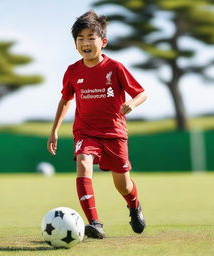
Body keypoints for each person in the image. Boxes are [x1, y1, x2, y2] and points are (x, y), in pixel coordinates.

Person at [47, 11, 147, 239]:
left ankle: (134, 206)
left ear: (103, 42)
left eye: (91, 37)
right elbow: (65, 100)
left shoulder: (116, 68)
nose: (85, 43)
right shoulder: (73, 71)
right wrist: (54, 131)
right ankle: (94, 223)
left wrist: (131, 103)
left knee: (123, 185)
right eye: (80, 38)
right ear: (75, 43)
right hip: (86, 132)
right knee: (83, 162)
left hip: (114, 133)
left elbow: (141, 93)